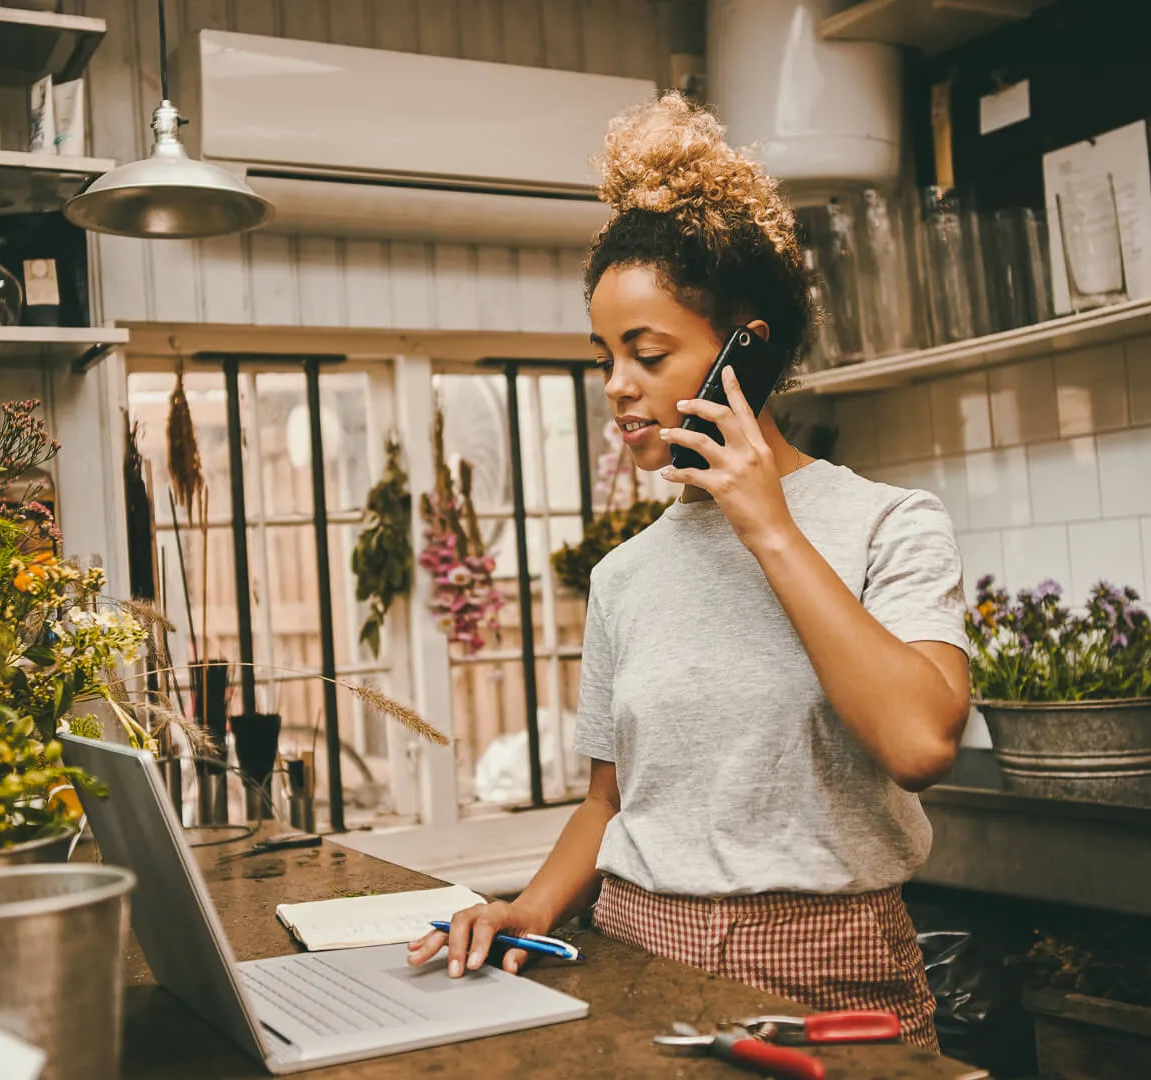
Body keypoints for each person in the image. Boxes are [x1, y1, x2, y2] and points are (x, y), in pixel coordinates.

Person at [407, 93, 971, 1051]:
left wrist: (770, 529)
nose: (618, 384)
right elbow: (611, 802)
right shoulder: (625, 575)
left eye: (648, 352)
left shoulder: (890, 524)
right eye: (605, 355)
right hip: (635, 950)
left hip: (830, 964)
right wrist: (528, 908)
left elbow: (920, 742)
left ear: (742, 351)